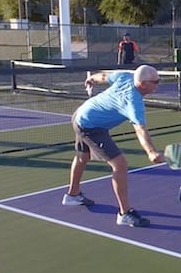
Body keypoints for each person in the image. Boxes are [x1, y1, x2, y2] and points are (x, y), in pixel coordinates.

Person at [61, 64, 164, 227]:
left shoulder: (125, 76)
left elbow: (102, 77)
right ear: (143, 84)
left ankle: (72, 195)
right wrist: (151, 152)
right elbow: (140, 130)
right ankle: (125, 213)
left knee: (82, 156)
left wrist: (91, 79)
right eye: (156, 81)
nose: (159, 83)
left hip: (80, 115)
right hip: (90, 127)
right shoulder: (133, 102)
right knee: (120, 164)